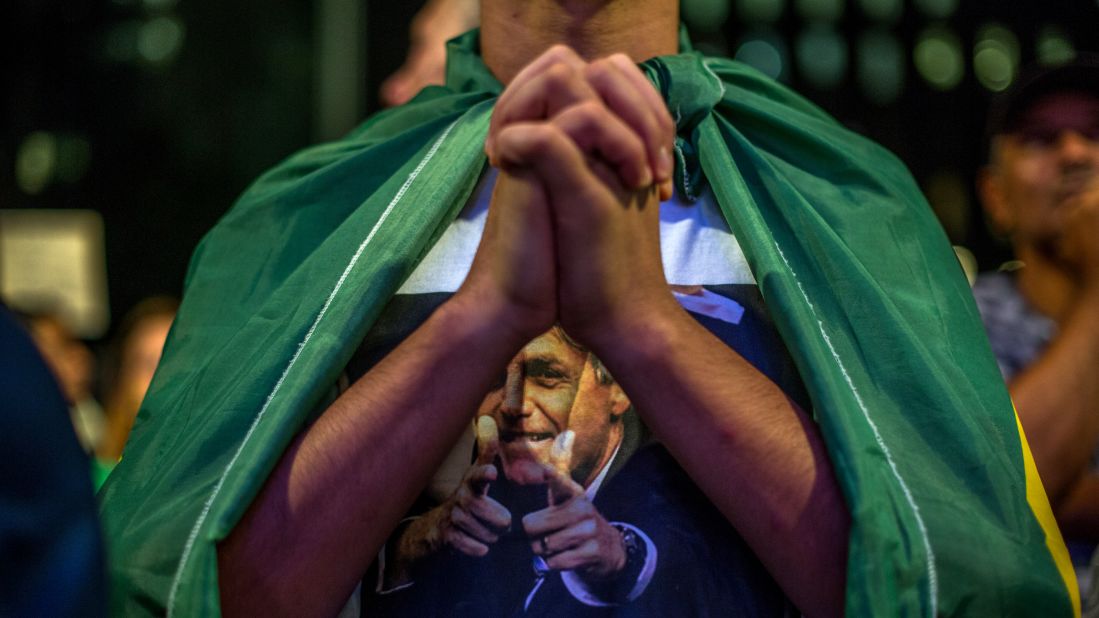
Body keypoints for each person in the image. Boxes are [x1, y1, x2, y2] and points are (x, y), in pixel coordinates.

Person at [99, 1, 1077, 616]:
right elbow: (202, 592)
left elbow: (937, 587)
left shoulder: (842, 197)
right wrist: (486, 313)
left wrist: (640, 322)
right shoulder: (312, 214)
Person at [973, 56, 1099, 588]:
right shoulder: (962, 321)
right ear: (997, 199)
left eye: (1096, 134)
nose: (1075, 154)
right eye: (1041, 140)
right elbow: (995, 493)